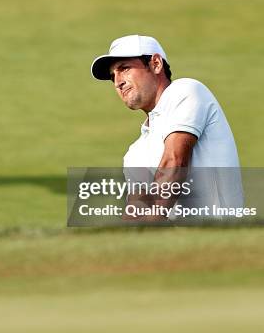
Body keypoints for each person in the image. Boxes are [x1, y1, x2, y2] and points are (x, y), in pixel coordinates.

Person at [90, 34, 244, 220]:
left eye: (125, 68)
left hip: (218, 241)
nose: (117, 82)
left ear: (156, 64)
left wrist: (148, 226)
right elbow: (136, 211)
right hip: (174, 245)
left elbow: (175, 161)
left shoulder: (186, 90)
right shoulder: (134, 153)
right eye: (112, 76)